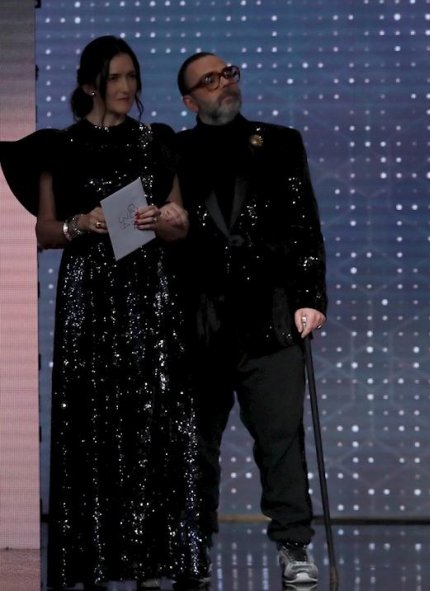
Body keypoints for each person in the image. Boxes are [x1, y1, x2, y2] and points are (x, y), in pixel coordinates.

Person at [0, 36, 209, 589]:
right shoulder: (59, 146)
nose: (125, 88)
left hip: (149, 290)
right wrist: (81, 224)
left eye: (132, 78)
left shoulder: (156, 143)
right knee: (92, 419)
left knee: (156, 414)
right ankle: (93, 558)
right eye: (115, 78)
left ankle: (153, 560)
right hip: (89, 293)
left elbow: (182, 222)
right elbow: (46, 232)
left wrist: (163, 218)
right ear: (91, 83)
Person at [173, 52, 328, 586]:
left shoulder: (279, 142)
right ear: (190, 100)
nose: (225, 84)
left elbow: (305, 223)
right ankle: (194, 546)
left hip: (270, 314)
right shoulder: (175, 150)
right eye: (210, 81)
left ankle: (294, 545)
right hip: (199, 320)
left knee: (281, 437)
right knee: (196, 442)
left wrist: (312, 297)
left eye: (229, 73)